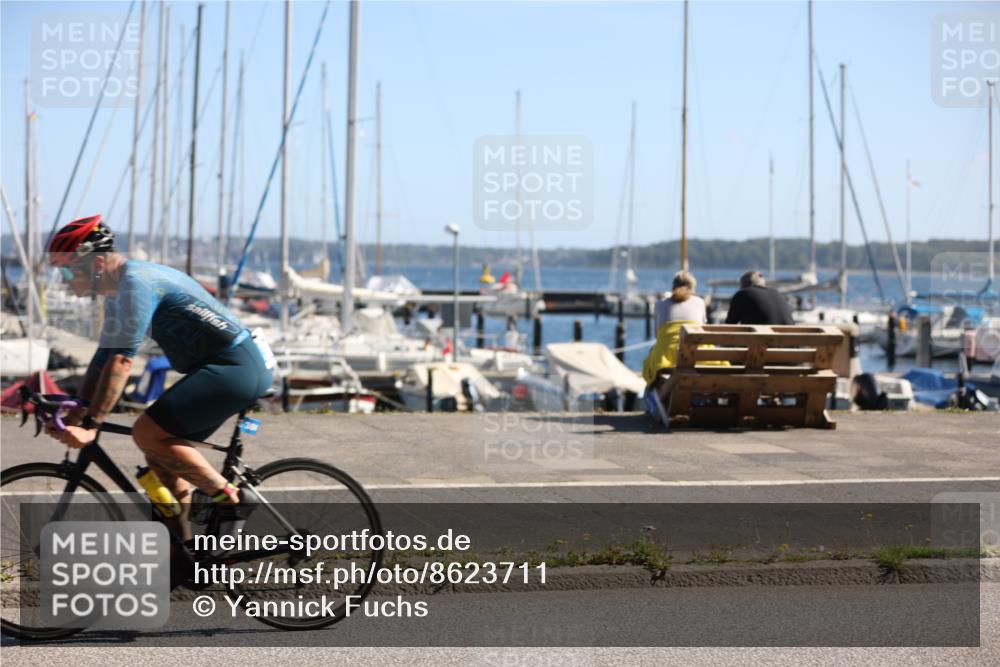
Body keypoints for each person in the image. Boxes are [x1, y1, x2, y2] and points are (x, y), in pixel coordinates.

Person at [46, 215, 274, 539]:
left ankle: (232, 499)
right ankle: (183, 553)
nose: (65, 281)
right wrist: (78, 409)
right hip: (221, 365)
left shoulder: (136, 284)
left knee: (147, 434)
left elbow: (122, 362)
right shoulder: (116, 291)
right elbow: (103, 358)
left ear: (96, 263)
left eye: (67, 270)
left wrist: (93, 423)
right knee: (160, 459)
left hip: (238, 364)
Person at [642, 271, 706, 385]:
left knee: (651, 356)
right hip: (698, 356)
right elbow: (703, 327)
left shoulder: (659, 305)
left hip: (667, 358)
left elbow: (657, 335)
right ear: (692, 289)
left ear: (673, 287)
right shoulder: (700, 302)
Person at [725, 270, 794, 325]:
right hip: (789, 341)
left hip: (761, 340)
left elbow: (730, 324)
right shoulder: (778, 294)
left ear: (744, 285)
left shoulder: (743, 294)